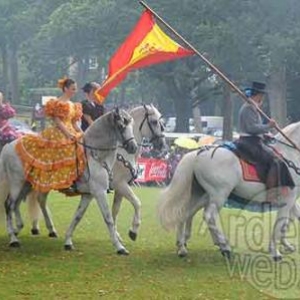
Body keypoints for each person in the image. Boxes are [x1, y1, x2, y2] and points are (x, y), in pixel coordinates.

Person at [15, 78, 85, 193]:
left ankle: (75, 179)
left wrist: (82, 133)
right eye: (73, 89)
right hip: (58, 132)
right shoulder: (57, 103)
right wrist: (68, 134)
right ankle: (62, 182)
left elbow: (73, 122)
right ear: (66, 89)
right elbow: (58, 121)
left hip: (71, 130)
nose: (75, 91)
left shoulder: (74, 105)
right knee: (67, 150)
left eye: (75, 89)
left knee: (82, 150)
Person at [237, 81, 295, 202]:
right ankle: (271, 194)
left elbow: (256, 128)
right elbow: (251, 128)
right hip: (249, 142)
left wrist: (265, 133)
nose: (262, 98)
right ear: (257, 95)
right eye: (261, 95)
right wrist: (268, 126)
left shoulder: (253, 107)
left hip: (254, 140)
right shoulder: (248, 108)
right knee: (275, 160)